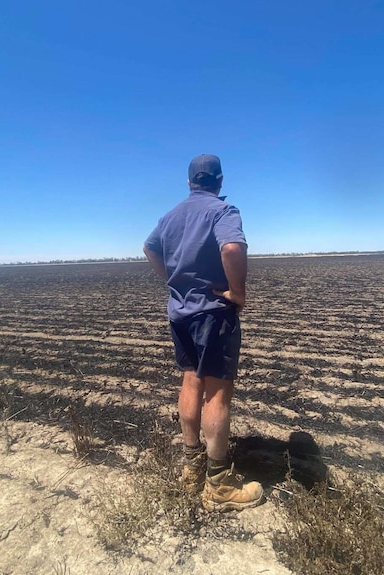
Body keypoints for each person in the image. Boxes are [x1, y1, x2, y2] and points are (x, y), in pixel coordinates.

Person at [143, 153, 263, 512]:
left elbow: (149, 247)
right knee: (217, 395)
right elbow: (231, 246)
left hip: (179, 312)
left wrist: (172, 281)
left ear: (189, 182)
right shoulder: (223, 211)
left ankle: (191, 466)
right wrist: (237, 293)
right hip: (212, 313)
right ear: (221, 180)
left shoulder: (170, 216)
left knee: (190, 382)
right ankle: (219, 484)